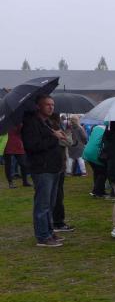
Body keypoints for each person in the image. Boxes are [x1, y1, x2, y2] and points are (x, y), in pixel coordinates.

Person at [21, 94, 67, 247]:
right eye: (47, 104)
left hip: (53, 167)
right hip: (42, 168)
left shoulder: (46, 122)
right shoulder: (31, 123)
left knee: (50, 204)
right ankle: (42, 236)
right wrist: (54, 137)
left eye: (52, 104)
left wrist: (58, 135)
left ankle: (49, 231)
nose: (51, 107)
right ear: (38, 106)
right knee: (42, 204)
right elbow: (32, 146)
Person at [3, 124, 30, 188]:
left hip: (18, 144)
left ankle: (25, 181)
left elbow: (23, 132)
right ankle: (10, 183)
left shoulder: (19, 122)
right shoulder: (4, 122)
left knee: (23, 164)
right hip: (6, 144)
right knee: (8, 165)